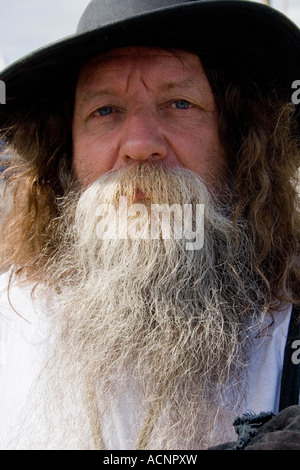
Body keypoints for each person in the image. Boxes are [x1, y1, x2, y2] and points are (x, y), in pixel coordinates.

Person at [0, 0, 299, 450]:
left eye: (179, 103)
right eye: (105, 111)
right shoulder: (11, 328)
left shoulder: (287, 335)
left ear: (239, 141)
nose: (140, 145)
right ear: (65, 154)